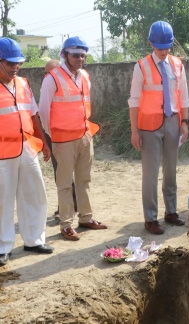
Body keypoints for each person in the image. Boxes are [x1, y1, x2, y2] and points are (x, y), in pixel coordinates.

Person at [39, 36, 107, 241]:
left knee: (84, 180)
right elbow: (43, 111)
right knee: (65, 183)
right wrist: (54, 135)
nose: (79, 59)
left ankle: (86, 218)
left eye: (82, 55)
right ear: (65, 55)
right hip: (63, 140)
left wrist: (85, 132)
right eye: (75, 55)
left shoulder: (84, 76)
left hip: (84, 135)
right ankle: (66, 224)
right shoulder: (52, 78)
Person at [128, 21, 189, 235]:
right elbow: (134, 100)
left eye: (167, 47)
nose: (163, 51)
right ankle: (150, 218)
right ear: (151, 44)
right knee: (151, 173)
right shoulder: (141, 66)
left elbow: (183, 95)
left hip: (173, 121)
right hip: (149, 126)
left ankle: (171, 212)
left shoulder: (177, 64)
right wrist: (134, 131)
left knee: (171, 169)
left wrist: (185, 122)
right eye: (159, 47)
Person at [0, 38, 54, 266]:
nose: (15, 67)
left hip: (27, 147)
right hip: (2, 151)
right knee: (2, 200)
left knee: (35, 193)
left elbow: (33, 114)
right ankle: (3, 246)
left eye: (18, 63)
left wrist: (43, 142)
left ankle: (33, 240)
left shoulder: (23, 83)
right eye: (10, 63)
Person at [44, 59, 76, 221]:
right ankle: (70, 206)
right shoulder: (50, 84)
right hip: (54, 134)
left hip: (65, 136)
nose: (48, 76)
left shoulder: (66, 85)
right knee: (62, 172)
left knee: (63, 173)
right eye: (46, 72)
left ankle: (67, 208)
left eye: (50, 72)